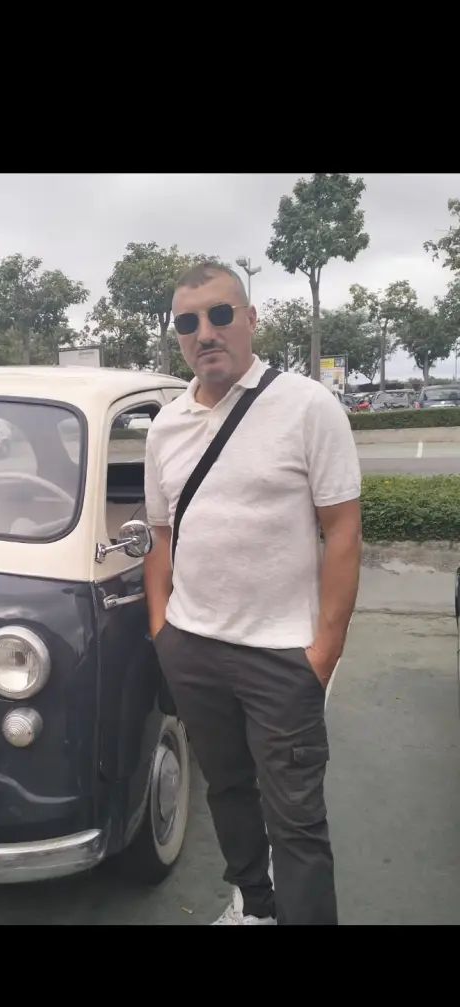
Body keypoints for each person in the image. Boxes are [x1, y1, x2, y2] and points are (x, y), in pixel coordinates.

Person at [144, 260, 362, 926]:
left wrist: (321, 653)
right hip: (194, 648)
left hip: (281, 655)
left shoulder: (307, 407)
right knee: (229, 793)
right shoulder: (166, 426)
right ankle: (256, 906)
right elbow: (159, 537)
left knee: (297, 821)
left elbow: (343, 531)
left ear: (250, 319)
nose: (205, 332)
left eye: (219, 314)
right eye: (188, 322)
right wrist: (163, 631)